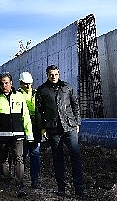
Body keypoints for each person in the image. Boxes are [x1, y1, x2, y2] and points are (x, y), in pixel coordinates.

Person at [36, 64, 86, 197]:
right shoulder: (42, 90)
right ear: (47, 74)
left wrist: (77, 123)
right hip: (53, 129)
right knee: (58, 159)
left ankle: (79, 188)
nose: (54, 76)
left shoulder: (67, 87)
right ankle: (61, 188)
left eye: (56, 74)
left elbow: (75, 105)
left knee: (75, 156)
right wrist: (42, 128)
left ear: (59, 74)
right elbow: (39, 112)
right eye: (51, 74)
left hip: (69, 127)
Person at [0, 72, 33, 198]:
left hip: (18, 134)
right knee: (4, 160)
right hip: (1, 135)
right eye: (2, 83)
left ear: (11, 83)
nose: (4, 85)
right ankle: (7, 179)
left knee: (19, 159)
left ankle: (20, 184)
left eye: (6, 83)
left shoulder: (19, 96)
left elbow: (25, 116)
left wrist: (29, 133)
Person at [19, 71, 42, 189]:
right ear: (21, 83)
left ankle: (35, 180)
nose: (28, 86)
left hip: (35, 128)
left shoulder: (37, 93)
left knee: (35, 154)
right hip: (22, 128)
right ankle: (20, 180)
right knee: (22, 155)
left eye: (29, 84)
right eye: (25, 84)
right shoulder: (17, 95)